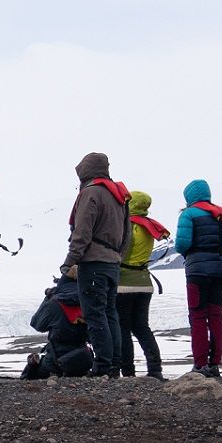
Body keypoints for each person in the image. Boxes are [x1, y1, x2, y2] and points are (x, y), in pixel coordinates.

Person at [65, 153, 131, 378]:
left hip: (93, 263)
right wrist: (117, 256)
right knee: (110, 313)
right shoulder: (118, 195)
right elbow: (127, 234)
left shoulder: (91, 192)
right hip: (112, 263)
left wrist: (70, 261)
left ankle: (102, 365)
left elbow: (82, 231)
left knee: (95, 314)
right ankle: (113, 365)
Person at [174, 180, 222, 377]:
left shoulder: (188, 214)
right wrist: (217, 242)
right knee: (216, 315)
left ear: (189, 196)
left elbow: (181, 244)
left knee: (197, 316)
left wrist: (199, 245)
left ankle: (200, 363)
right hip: (219, 269)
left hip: (196, 270)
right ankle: (215, 363)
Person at [116, 190, 170, 379]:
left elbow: (121, 251)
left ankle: (128, 371)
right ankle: (155, 369)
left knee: (123, 327)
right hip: (144, 282)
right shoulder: (148, 227)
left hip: (124, 282)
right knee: (141, 326)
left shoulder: (128, 226)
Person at [21, 276, 96, 379]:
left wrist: (47, 298)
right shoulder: (90, 302)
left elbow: (37, 324)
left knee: (29, 372)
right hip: (82, 359)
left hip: (55, 360)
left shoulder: (54, 303)